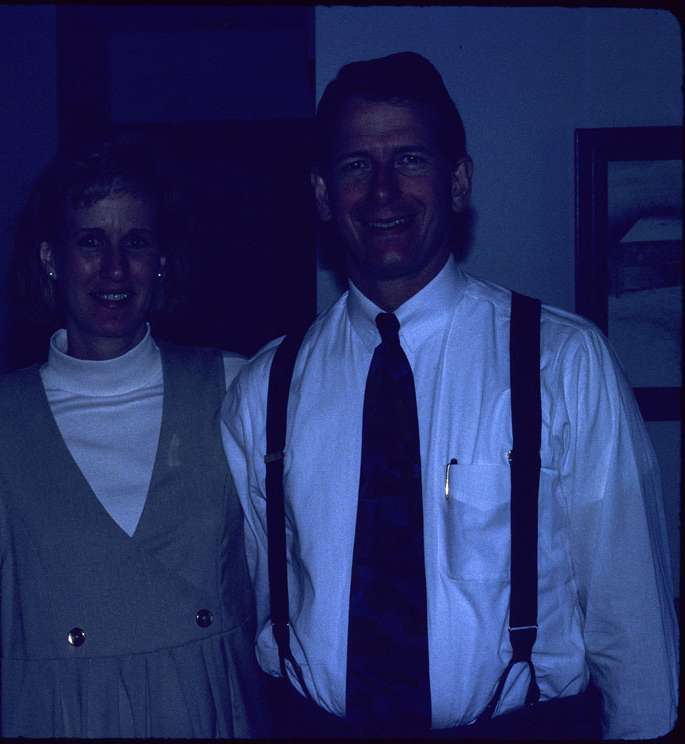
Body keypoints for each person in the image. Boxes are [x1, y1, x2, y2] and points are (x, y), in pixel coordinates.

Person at [221, 51, 678, 739]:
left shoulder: (563, 361)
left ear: (458, 181)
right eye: (355, 165)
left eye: (409, 159)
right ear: (320, 193)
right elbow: (252, 606)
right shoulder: (264, 388)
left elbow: (631, 624)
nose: (382, 192)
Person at [0, 132, 265, 738]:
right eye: (90, 241)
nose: (115, 268)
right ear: (50, 258)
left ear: (162, 258)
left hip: (212, 710)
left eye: (136, 241)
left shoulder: (231, 385)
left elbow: (274, 585)